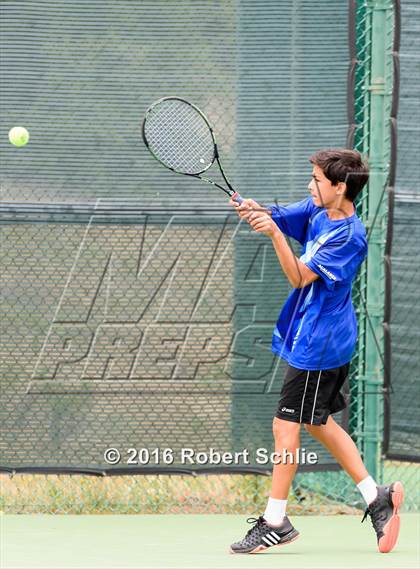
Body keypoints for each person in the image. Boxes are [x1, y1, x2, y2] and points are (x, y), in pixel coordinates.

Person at [228, 148, 404, 555]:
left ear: (340, 188)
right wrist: (259, 211)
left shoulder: (348, 238)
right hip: (319, 336)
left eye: (317, 180)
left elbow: (298, 276)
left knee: (284, 427)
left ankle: (276, 520)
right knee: (317, 422)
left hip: (319, 344)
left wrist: (272, 232)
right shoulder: (317, 209)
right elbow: (283, 214)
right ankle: (375, 495)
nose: (310, 185)